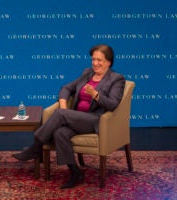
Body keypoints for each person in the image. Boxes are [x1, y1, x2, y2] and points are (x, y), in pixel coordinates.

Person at [13, 44, 125, 189]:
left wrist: (96, 95)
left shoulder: (116, 79)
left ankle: (35, 148)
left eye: (100, 60)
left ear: (109, 62)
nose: (95, 63)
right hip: (76, 118)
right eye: (93, 60)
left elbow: (113, 104)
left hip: (96, 120)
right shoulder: (87, 73)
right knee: (60, 133)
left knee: (60, 114)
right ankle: (75, 172)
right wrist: (64, 108)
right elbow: (66, 88)